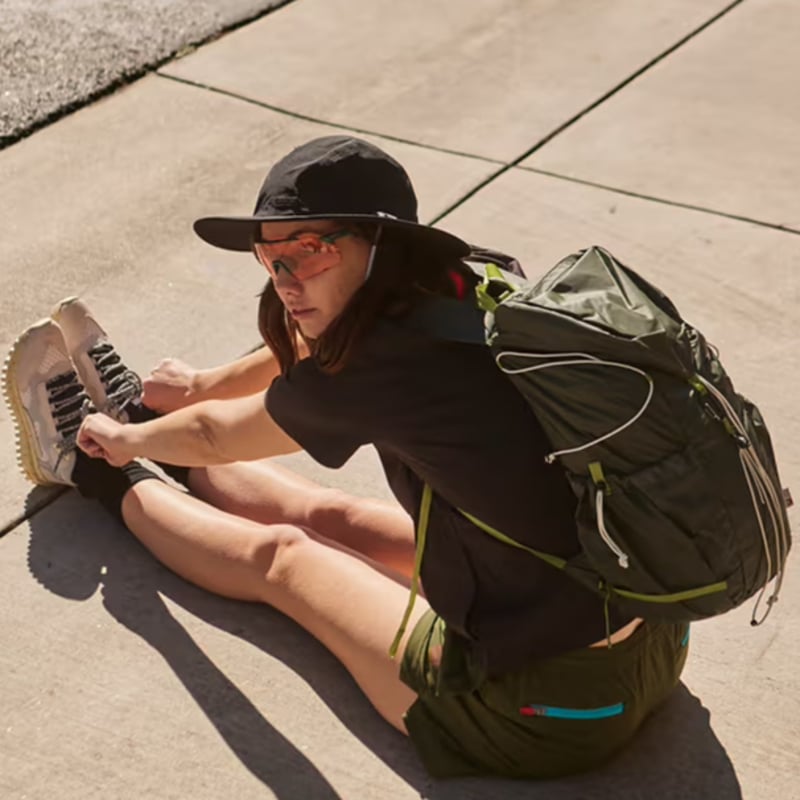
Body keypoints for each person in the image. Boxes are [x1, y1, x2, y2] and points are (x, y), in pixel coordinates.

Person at [4, 135, 688, 779]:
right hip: (652, 632)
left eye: (307, 251)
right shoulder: (469, 286)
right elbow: (304, 353)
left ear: (378, 242)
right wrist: (193, 393)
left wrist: (125, 445)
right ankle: (140, 421)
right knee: (336, 515)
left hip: (547, 713)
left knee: (287, 558)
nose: (285, 280)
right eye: (270, 261)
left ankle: (85, 463)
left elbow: (221, 435)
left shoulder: (389, 366)